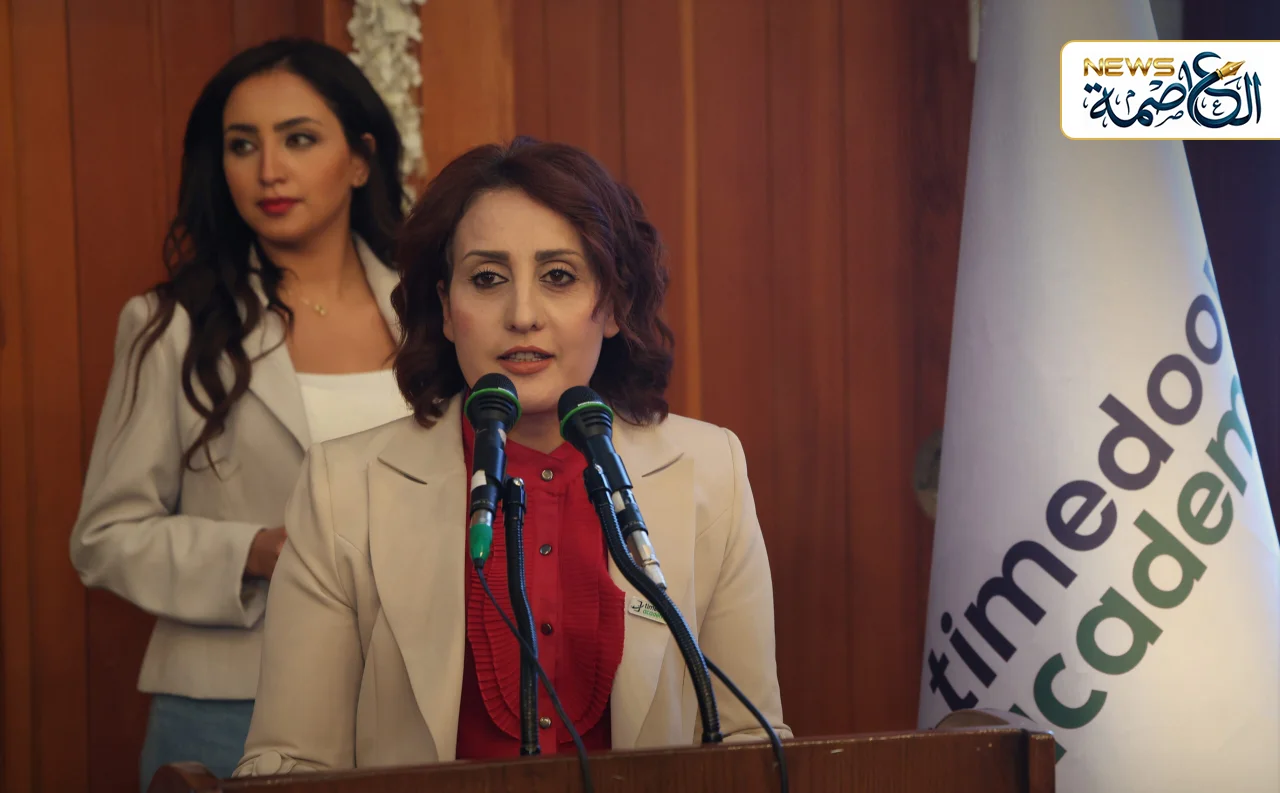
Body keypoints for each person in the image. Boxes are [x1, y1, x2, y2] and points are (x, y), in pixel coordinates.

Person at [235, 137, 791, 774]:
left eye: (559, 277)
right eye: (487, 279)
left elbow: (751, 744)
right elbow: (293, 763)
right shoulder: (344, 488)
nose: (523, 314)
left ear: (612, 305)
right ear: (446, 310)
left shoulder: (712, 471)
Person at [69, 37, 412, 790]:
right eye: (242, 145)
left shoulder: (432, 313)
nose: (269, 171)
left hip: (411, 690)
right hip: (228, 699)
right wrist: (254, 551)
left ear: (360, 159)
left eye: (299, 139)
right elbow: (104, 537)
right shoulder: (171, 325)